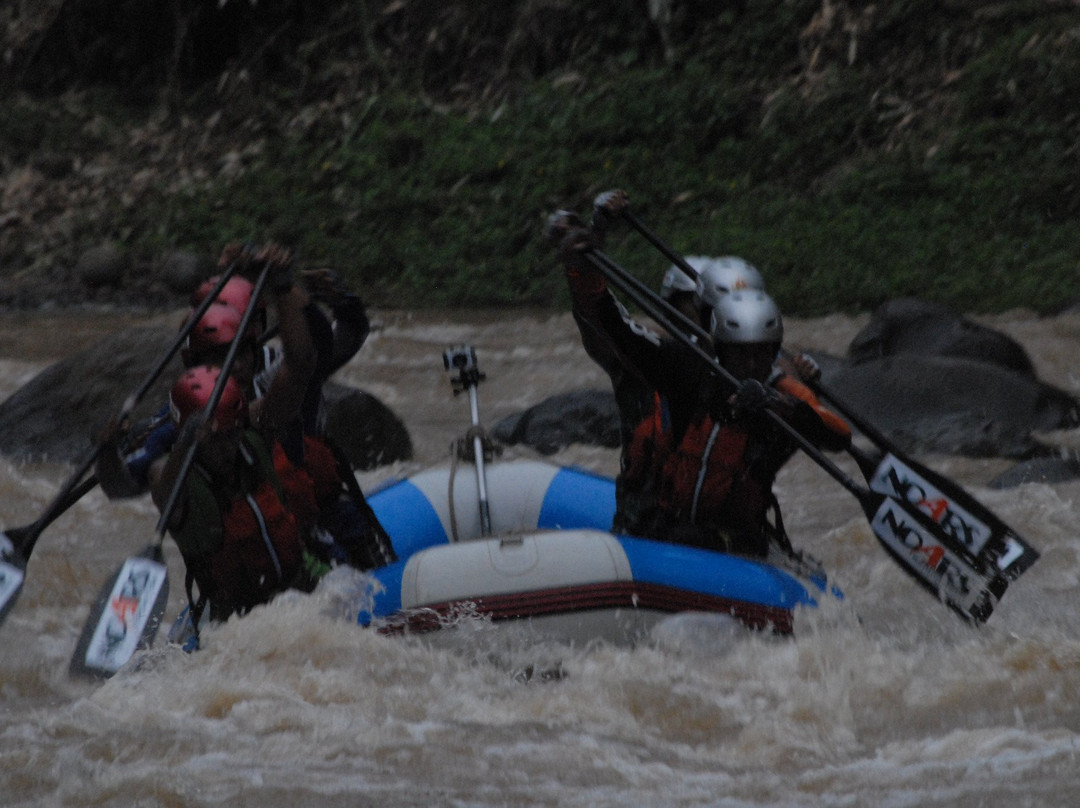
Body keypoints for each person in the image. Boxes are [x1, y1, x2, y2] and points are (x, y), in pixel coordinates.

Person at [549, 216, 851, 558]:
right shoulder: (688, 367)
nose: (750, 366)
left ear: (774, 349)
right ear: (721, 346)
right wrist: (582, 274)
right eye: (740, 354)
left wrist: (780, 406)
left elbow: (839, 435)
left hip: (738, 540)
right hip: (667, 528)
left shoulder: (783, 391)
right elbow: (616, 330)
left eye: (760, 354)